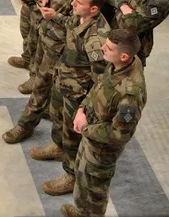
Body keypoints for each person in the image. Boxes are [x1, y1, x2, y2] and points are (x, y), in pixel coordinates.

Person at [4, 0, 98, 141]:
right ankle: (45, 112)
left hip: (61, 46)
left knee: (41, 85)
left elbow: (80, 25)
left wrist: (56, 15)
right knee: (39, 76)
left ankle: (25, 125)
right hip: (47, 35)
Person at [33, 0, 112, 197]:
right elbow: (70, 24)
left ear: (93, 9)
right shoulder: (80, 16)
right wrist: (55, 15)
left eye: (78, 2)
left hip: (78, 94)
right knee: (56, 117)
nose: (72, 4)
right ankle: (57, 146)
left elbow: (100, 79)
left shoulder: (97, 40)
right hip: (64, 80)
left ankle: (70, 174)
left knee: (72, 134)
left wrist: (84, 109)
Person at [63, 29, 146, 217]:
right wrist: (81, 109)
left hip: (102, 150)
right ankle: (81, 211)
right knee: (82, 177)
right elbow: (98, 86)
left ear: (124, 56)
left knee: (94, 192)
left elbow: (120, 134)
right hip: (90, 133)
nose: (102, 48)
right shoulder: (117, 64)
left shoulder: (130, 95)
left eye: (108, 48)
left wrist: (85, 127)